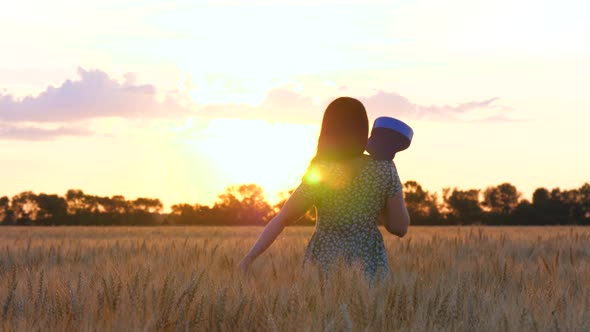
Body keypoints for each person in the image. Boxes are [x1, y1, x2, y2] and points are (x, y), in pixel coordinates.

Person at [238, 97, 410, 282]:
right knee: (368, 311)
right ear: (364, 129)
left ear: (327, 129)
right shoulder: (384, 168)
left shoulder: (321, 171)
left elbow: (283, 219)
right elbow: (399, 227)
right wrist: (378, 205)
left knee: (322, 309)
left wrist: (249, 258)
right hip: (370, 267)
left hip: (323, 266)